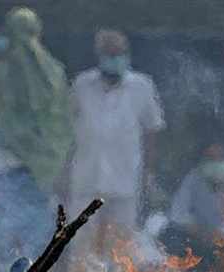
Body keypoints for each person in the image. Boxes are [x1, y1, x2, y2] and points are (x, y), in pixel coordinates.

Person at [0, 7, 73, 263]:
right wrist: (50, 155)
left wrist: (10, 138)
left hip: (7, 165)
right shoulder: (55, 73)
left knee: (10, 229)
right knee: (38, 229)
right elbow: (63, 124)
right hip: (45, 167)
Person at [67, 29, 165, 257]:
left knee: (120, 247)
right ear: (99, 55)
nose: (115, 57)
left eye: (119, 52)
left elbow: (152, 132)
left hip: (125, 179)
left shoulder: (142, 86)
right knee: (81, 242)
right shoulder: (81, 85)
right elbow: (68, 132)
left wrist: (148, 174)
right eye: (109, 53)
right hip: (86, 178)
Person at [162, 143, 224, 270]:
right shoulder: (193, 180)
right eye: (210, 159)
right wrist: (194, 226)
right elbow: (177, 214)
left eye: (220, 158)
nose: (215, 163)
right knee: (171, 235)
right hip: (201, 239)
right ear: (201, 162)